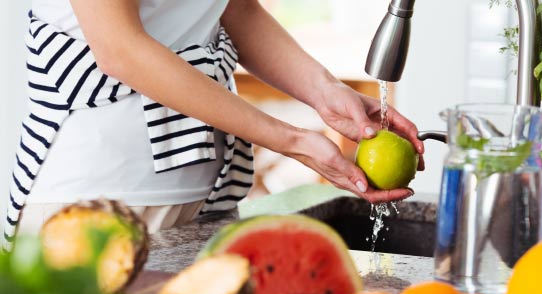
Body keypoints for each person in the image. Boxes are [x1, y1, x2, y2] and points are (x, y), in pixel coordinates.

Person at [3, 0, 425, 250]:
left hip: (209, 201)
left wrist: (326, 93)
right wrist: (291, 140)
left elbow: (235, 8)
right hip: (97, 203)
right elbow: (119, 48)